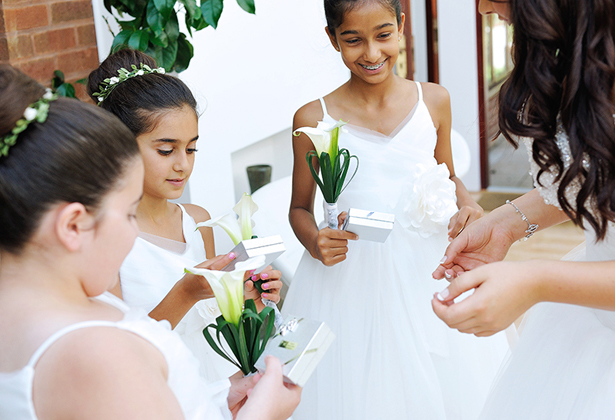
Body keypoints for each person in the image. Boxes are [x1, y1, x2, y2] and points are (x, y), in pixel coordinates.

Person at [0, 64, 300, 420]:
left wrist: (225, 392)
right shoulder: (97, 347)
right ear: (73, 224)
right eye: (128, 213)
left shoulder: (51, 317)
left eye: (192, 149)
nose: (182, 165)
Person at [281, 1, 511, 419]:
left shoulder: (434, 100)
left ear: (401, 27)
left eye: (383, 35)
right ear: (332, 38)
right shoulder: (314, 118)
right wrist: (315, 241)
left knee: (448, 378)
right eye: (353, 40)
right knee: (357, 388)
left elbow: (448, 176)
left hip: (427, 268)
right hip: (349, 278)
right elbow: (300, 207)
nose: (371, 53)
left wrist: (469, 204)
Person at [432, 0, 615, 418]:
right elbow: (596, 180)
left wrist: (534, 281)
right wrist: (506, 225)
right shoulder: (583, 54)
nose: (479, 8)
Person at [87, 49, 283, 380]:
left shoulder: (197, 220)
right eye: (166, 150)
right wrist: (186, 293)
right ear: (119, 144)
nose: (183, 164)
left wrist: (252, 299)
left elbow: (215, 318)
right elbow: (120, 350)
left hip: (221, 381)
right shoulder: (104, 237)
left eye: (191, 148)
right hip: (163, 390)